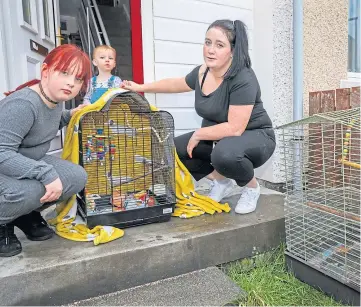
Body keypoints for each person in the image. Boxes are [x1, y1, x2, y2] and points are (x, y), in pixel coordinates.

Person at [122, 19, 276, 215]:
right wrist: (140, 87)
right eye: (207, 42)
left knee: (224, 155)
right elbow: (176, 84)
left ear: (233, 51)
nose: (210, 50)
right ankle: (221, 183)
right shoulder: (203, 72)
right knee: (173, 150)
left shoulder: (243, 78)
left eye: (219, 45)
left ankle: (251, 187)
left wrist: (199, 134)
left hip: (256, 136)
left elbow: (235, 128)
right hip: (222, 137)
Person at [0, 44, 91, 257]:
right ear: (46, 71)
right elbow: (2, 152)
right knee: (30, 191)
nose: (71, 82)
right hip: (4, 165)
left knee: (77, 177)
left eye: (78, 79)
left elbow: (45, 125)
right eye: (65, 73)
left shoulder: (55, 98)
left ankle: (23, 214)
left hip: (23, 161)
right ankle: (3, 220)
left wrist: (70, 115)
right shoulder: (23, 104)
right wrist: (45, 173)